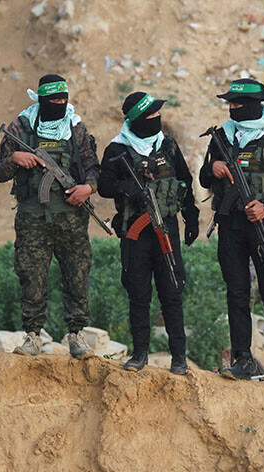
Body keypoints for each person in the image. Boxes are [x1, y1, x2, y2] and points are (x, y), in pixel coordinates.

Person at [198, 79, 264, 393]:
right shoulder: (222, 137)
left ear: (255, 105)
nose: (232, 109)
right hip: (230, 225)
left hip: (263, 226)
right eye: (230, 104)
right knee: (237, 292)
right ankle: (242, 358)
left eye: (238, 105)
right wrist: (213, 166)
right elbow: (204, 177)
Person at [0, 74, 98, 359]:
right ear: (40, 101)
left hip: (71, 217)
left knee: (76, 274)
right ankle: (33, 335)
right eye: (53, 101)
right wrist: (15, 159)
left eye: (63, 99)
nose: (60, 104)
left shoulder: (75, 127)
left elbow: (93, 167)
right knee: (32, 276)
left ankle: (76, 335)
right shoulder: (21, 127)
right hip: (32, 218)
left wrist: (87, 188)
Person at [97, 92, 199, 374]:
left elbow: (185, 182)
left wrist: (192, 217)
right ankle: (140, 354)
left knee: (172, 292)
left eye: (157, 115)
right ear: (136, 120)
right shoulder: (117, 150)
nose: (156, 119)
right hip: (135, 232)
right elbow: (105, 185)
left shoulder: (167, 145)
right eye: (150, 116)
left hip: (166, 228)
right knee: (138, 294)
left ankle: (178, 357)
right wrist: (127, 189)